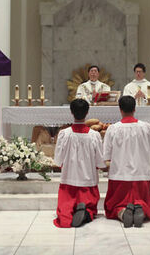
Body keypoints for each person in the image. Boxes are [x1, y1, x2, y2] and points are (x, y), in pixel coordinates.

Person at [104, 95, 150, 227]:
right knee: (143, 201)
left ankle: (122, 212)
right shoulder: (146, 127)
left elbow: (106, 154)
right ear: (135, 109)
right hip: (141, 175)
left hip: (119, 176)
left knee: (114, 206)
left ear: (120, 110)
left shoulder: (113, 129)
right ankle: (141, 208)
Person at [53, 98, 106, 228]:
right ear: (87, 113)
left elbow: (58, 159)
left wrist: (61, 163)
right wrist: (99, 165)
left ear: (71, 112)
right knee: (90, 204)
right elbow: (99, 159)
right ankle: (86, 211)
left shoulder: (64, 134)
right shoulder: (94, 135)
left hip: (69, 180)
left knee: (65, 208)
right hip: (88, 180)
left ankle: (69, 213)